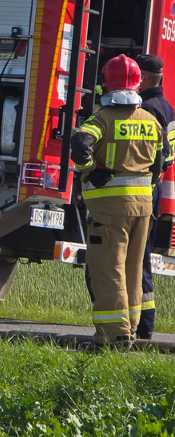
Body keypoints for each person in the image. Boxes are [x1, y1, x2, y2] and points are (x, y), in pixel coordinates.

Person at [70, 54, 163, 348]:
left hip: (109, 212)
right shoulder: (150, 120)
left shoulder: (103, 118)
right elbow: (161, 161)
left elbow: (80, 144)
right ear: (138, 84)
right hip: (143, 208)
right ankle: (130, 330)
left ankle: (113, 337)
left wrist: (90, 171)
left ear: (106, 84)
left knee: (108, 269)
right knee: (133, 270)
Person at [135, 54, 175, 339]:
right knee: (142, 255)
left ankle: (144, 324)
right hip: (155, 185)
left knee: (138, 257)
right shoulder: (167, 106)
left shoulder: (148, 109)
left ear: (146, 78)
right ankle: (144, 322)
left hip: (145, 186)